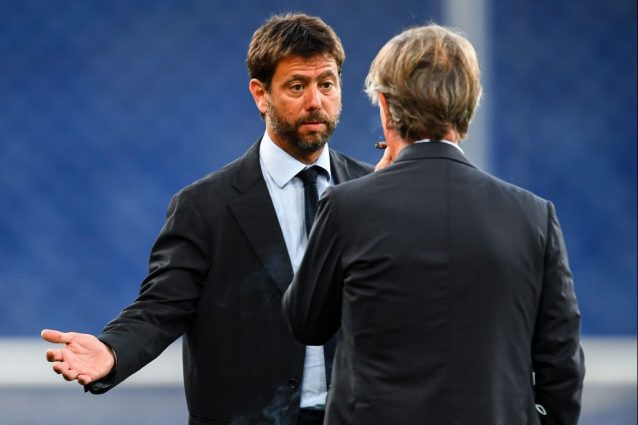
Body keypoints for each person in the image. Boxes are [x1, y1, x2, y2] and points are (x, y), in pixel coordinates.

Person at [41, 13, 372, 425]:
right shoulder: (204, 207)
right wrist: (112, 350)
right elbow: (161, 306)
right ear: (261, 94)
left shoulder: (372, 191)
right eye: (296, 86)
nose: (315, 101)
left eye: (327, 84)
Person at [282, 24, 585, 425]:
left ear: (385, 107)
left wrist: (367, 192)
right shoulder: (532, 216)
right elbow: (561, 368)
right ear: (469, 107)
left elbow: (305, 321)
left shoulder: (348, 207)